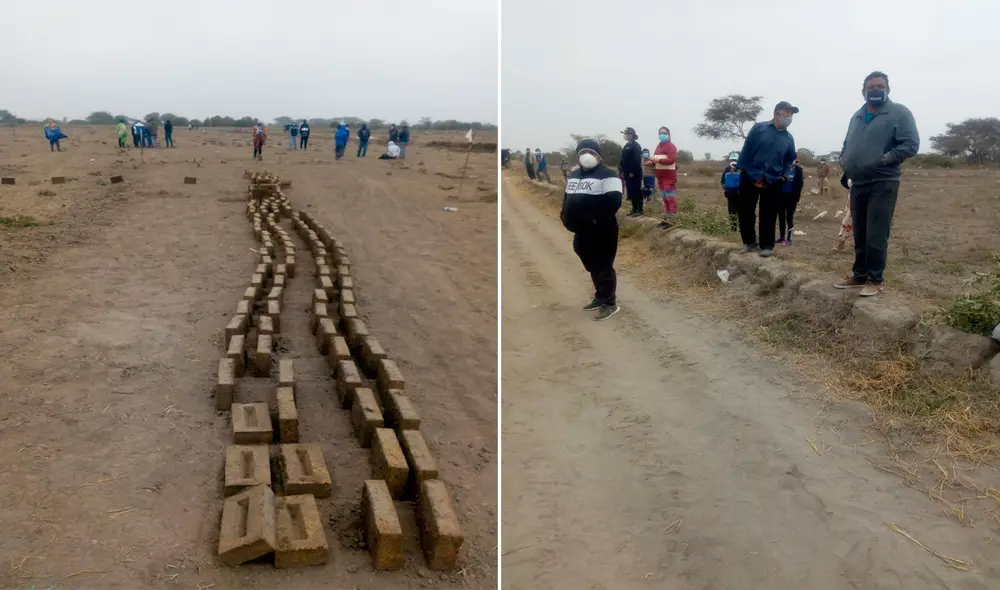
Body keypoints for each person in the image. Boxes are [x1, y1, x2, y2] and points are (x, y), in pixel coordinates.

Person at [833, 71, 919, 297]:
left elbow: (911, 144)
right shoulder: (857, 116)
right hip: (858, 181)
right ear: (863, 91)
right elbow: (848, 144)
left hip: (883, 180)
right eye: (871, 87)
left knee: (876, 232)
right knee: (860, 231)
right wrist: (845, 163)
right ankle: (860, 275)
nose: (875, 90)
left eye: (880, 86)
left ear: (887, 89)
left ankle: (875, 278)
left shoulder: (899, 113)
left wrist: (883, 159)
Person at [561, 138, 623, 321]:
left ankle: (609, 303)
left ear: (598, 156)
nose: (586, 156)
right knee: (588, 260)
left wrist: (594, 219)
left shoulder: (609, 175)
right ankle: (600, 296)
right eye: (582, 152)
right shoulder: (574, 175)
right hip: (582, 230)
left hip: (602, 229)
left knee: (603, 265)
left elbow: (614, 202)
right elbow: (567, 197)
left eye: (591, 152)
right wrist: (564, 215)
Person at [735, 101, 799, 257]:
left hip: (773, 180)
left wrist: (784, 176)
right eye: (787, 112)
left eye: (791, 114)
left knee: (768, 214)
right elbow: (747, 149)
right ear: (777, 113)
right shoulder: (759, 129)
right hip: (750, 175)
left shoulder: (789, 138)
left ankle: (767, 246)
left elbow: (789, 159)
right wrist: (742, 169)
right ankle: (749, 242)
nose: (789, 116)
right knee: (745, 211)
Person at [650, 126, 678, 226]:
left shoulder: (671, 146)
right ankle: (666, 218)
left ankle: (672, 220)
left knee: (670, 198)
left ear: (668, 135)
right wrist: (652, 162)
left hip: (669, 176)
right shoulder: (658, 146)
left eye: (664, 133)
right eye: (660, 133)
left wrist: (659, 160)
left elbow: (671, 160)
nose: (662, 135)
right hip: (660, 176)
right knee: (664, 198)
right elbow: (655, 158)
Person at [778, 158, 804, 244]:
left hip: (792, 197)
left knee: (789, 217)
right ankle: (782, 237)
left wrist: (797, 197)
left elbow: (800, 184)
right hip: (781, 196)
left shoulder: (798, 171)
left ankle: (789, 238)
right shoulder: (782, 169)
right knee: (781, 217)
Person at [618, 127, 644, 217]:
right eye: (625, 134)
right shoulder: (626, 145)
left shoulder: (636, 146)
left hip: (634, 173)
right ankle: (634, 208)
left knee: (636, 190)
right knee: (630, 191)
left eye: (627, 134)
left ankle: (639, 209)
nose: (625, 135)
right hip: (626, 172)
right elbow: (623, 159)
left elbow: (636, 160)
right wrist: (621, 169)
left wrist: (632, 171)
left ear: (632, 135)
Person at [720, 159, 741, 232]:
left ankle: (733, 228)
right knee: (738, 210)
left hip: (731, 193)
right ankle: (739, 228)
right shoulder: (741, 168)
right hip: (737, 193)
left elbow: (723, 183)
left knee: (732, 210)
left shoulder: (727, 169)